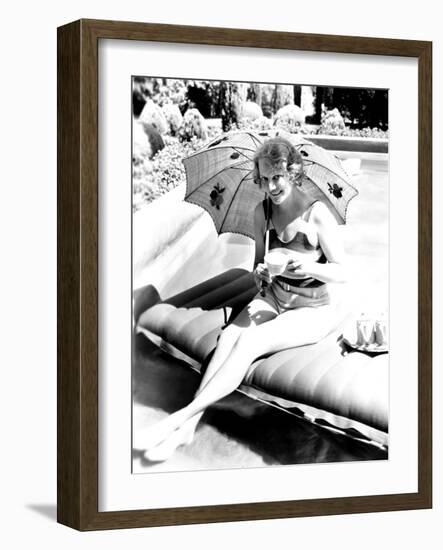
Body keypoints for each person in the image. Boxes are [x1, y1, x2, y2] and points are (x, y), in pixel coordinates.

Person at [138, 136, 349, 462]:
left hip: (311, 307)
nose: (271, 186)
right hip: (275, 296)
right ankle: (189, 428)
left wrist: (307, 265)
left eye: (277, 177)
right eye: (264, 179)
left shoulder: (316, 214)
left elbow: (343, 272)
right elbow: (256, 269)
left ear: (292, 171)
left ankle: (178, 419)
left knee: (249, 344)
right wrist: (261, 275)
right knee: (229, 338)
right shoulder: (261, 213)